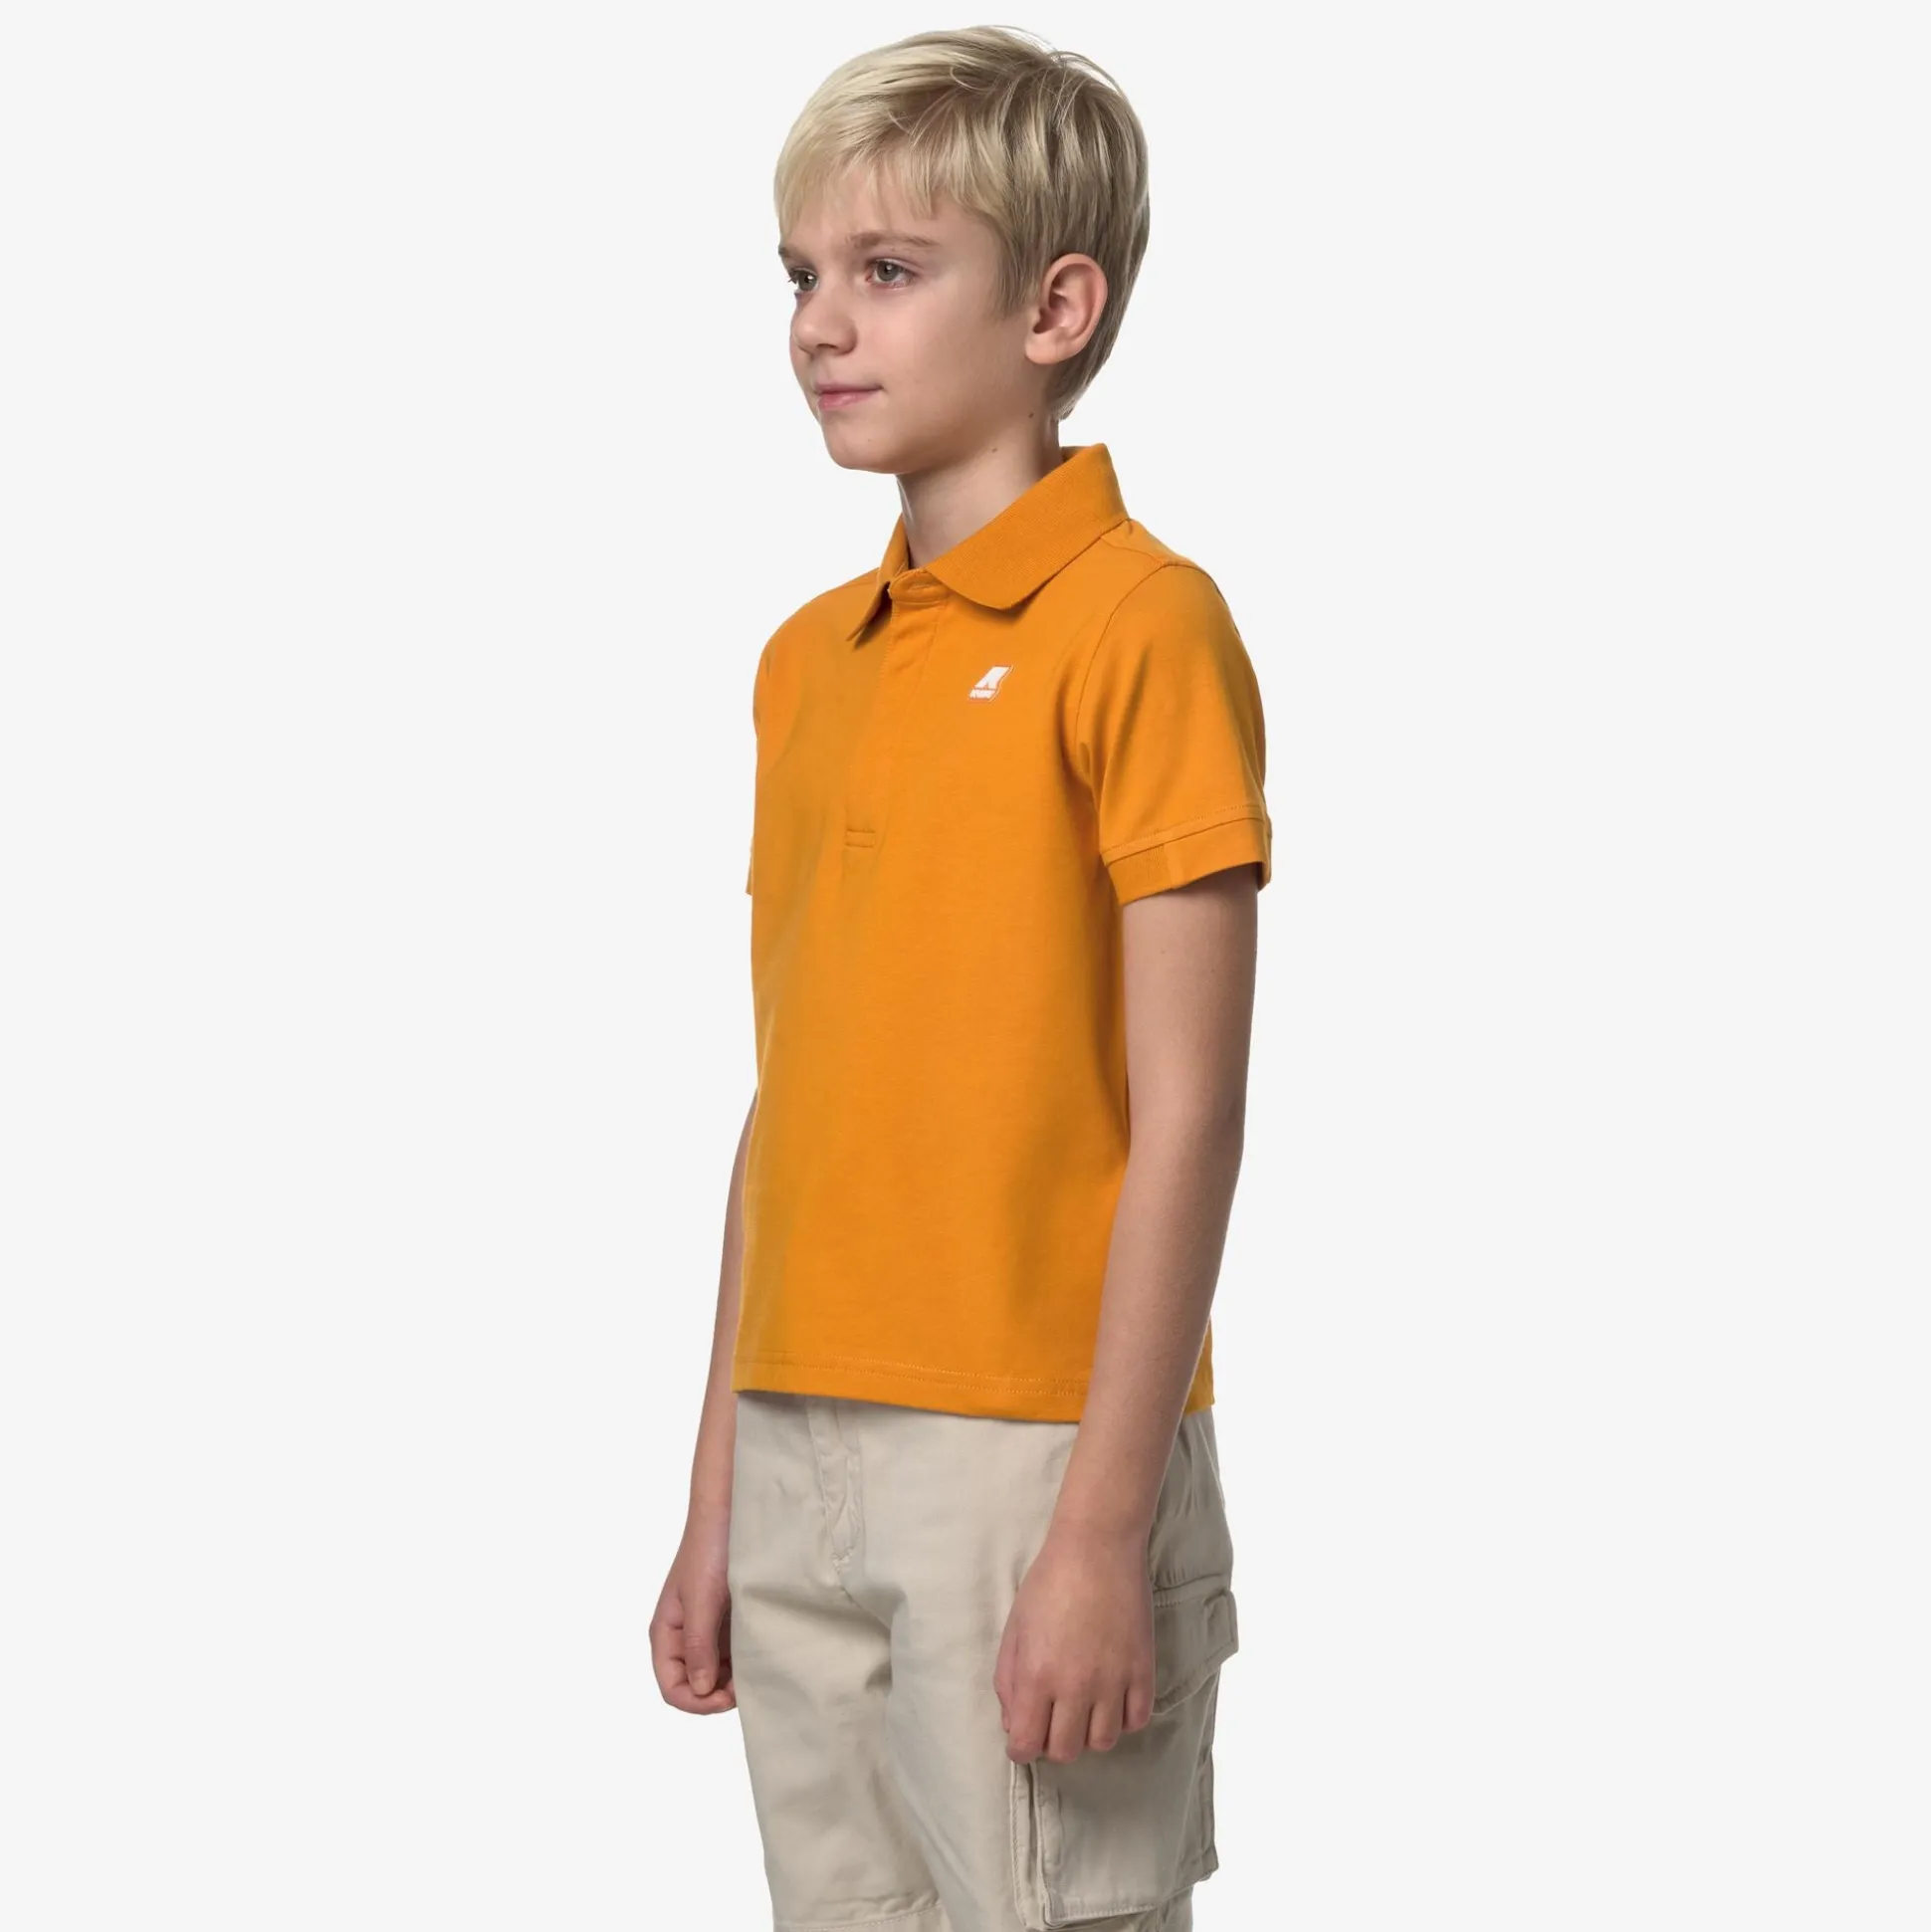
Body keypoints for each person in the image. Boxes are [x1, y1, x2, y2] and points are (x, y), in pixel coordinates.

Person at [652, 26, 1272, 1931]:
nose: (820, 325)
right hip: (799, 1434)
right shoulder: (806, 664)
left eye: (889, 270)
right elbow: (795, 1093)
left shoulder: (1144, 627)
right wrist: (716, 1491)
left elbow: (1191, 1114)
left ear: (1055, 308)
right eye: (800, 275)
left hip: (1029, 1451)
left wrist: (1102, 1528)